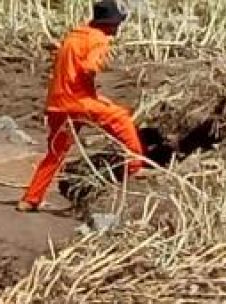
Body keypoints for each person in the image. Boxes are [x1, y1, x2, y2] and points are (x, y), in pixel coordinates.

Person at [17, 0, 144, 213]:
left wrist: (94, 95)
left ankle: (30, 199)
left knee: (55, 153)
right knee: (121, 119)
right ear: (110, 24)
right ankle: (135, 168)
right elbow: (88, 68)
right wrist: (96, 67)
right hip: (77, 103)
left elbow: (71, 75)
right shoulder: (98, 39)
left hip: (57, 103)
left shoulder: (75, 35)